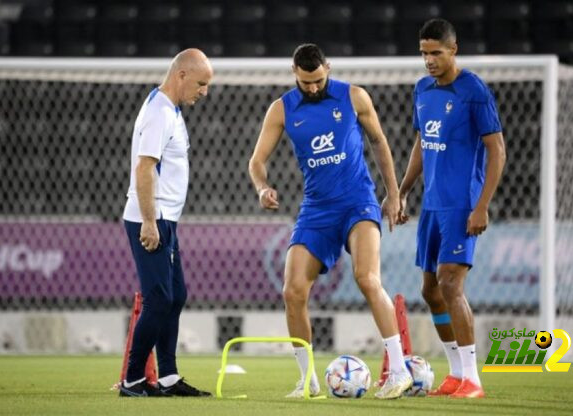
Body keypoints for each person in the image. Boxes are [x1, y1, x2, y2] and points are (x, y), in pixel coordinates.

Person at [248, 44, 413, 399]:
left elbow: (379, 141)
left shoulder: (353, 96)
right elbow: (257, 160)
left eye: (318, 80)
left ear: (328, 68)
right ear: (294, 72)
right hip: (317, 209)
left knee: (367, 278)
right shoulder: (281, 109)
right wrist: (262, 187)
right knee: (292, 292)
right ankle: (307, 381)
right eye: (305, 82)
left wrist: (394, 194)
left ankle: (399, 371)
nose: (312, 87)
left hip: (358, 203)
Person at [397, 19, 506, 399]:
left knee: (450, 283)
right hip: (432, 204)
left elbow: (497, 149)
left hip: (462, 203)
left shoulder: (473, 90)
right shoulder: (422, 90)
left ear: (453, 50)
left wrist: (482, 206)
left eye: (436, 53)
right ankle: (455, 373)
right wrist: (402, 190)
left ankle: (473, 379)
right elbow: (421, 142)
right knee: (429, 289)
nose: (429, 60)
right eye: (424, 53)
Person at [119, 48, 214, 397]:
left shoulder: (170, 109)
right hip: (151, 218)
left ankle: (169, 377)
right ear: (182, 75)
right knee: (159, 299)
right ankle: (132, 379)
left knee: (175, 296)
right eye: (201, 83)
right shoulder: (159, 112)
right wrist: (148, 221)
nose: (204, 92)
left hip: (165, 219)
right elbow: (144, 167)